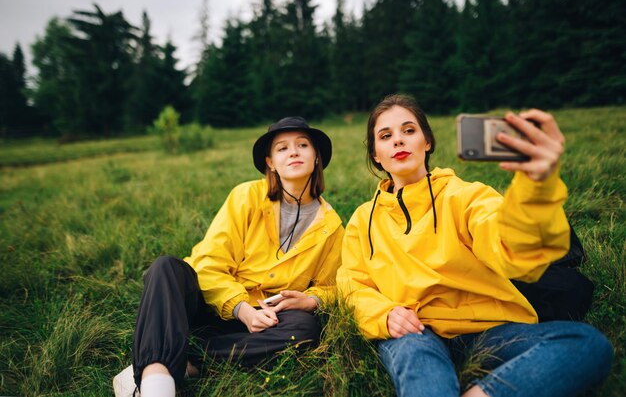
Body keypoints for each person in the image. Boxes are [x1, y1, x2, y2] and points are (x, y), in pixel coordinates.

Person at [336, 94, 613, 397]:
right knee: (423, 374)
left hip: (486, 329)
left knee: (587, 344)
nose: (398, 141)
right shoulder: (363, 218)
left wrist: (536, 187)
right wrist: (383, 314)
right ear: (376, 154)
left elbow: (509, 244)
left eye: (409, 130)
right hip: (414, 331)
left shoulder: (467, 196)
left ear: (427, 141)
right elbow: (352, 283)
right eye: (386, 136)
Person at [114, 116, 344, 397]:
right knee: (165, 268)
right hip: (209, 303)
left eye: (303, 145)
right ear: (270, 162)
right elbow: (209, 265)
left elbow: (335, 286)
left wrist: (310, 300)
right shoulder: (245, 196)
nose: (293, 151)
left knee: (306, 329)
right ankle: (155, 383)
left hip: (265, 321)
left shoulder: (331, 226)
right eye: (282, 148)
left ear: (317, 156)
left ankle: (180, 359)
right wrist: (241, 309)